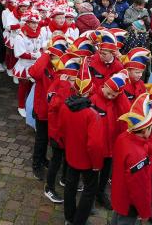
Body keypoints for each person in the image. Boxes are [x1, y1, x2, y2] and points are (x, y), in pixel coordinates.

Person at [59, 59, 105, 225]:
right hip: (87, 161)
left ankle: (69, 217)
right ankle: (79, 221)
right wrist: (97, 164)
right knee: (89, 190)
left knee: (70, 188)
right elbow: (95, 145)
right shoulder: (92, 115)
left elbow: (61, 131)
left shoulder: (65, 106)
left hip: (71, 156)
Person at [111, 93, 152, 225]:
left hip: (119, 194)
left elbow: (137, 142)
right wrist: (145, 213)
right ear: (145, 131)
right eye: (150, 128)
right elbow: (140, 189)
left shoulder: (123, 137)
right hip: (129, 203)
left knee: (116, 218)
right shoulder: (139, 157)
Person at [28, 35, 68, 182]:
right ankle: (36, 164)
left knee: (50, 139)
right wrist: (46, 54)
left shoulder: (62, 68)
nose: (55, 60)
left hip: (55, 111)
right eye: (53, 56)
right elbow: (33, 73)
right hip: (43, 110)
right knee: (41, 138)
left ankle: (44, 159)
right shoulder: (44, 64)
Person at [90, 70, 131, 210]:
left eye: (114, 95)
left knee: (106, 172)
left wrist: (120, 96)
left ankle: (100, 193)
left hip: (110, 146)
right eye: (109, 93)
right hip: (97, 145)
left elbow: (126, 112)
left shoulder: (117, 100)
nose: (110, 97)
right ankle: (90, 195)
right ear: (105, 86)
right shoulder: (94, 99)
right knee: (93, 172)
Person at [45, 53, 81, 204]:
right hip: (56, 131)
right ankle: (49, 188)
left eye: (75, 79)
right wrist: (64, 86)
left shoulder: (72, 86)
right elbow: (54, 105)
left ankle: (65, 179)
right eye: (71, 79)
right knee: (56, 161)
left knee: (67, 157)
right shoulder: (57, 86)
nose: (74, 83)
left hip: (68, 131)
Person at [13, 10, 44, 117]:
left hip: (35, 65)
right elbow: (19, 53)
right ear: (27, 23)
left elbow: (40, 48)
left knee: (33, 87)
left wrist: (40, 53)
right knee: (24, 86)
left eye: (36, 23)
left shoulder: (39, 34)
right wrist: (34, 55)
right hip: (24, 65)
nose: (35, 25)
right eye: (33, 23)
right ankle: (21, 106)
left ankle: (30, 105)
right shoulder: (20, 36)